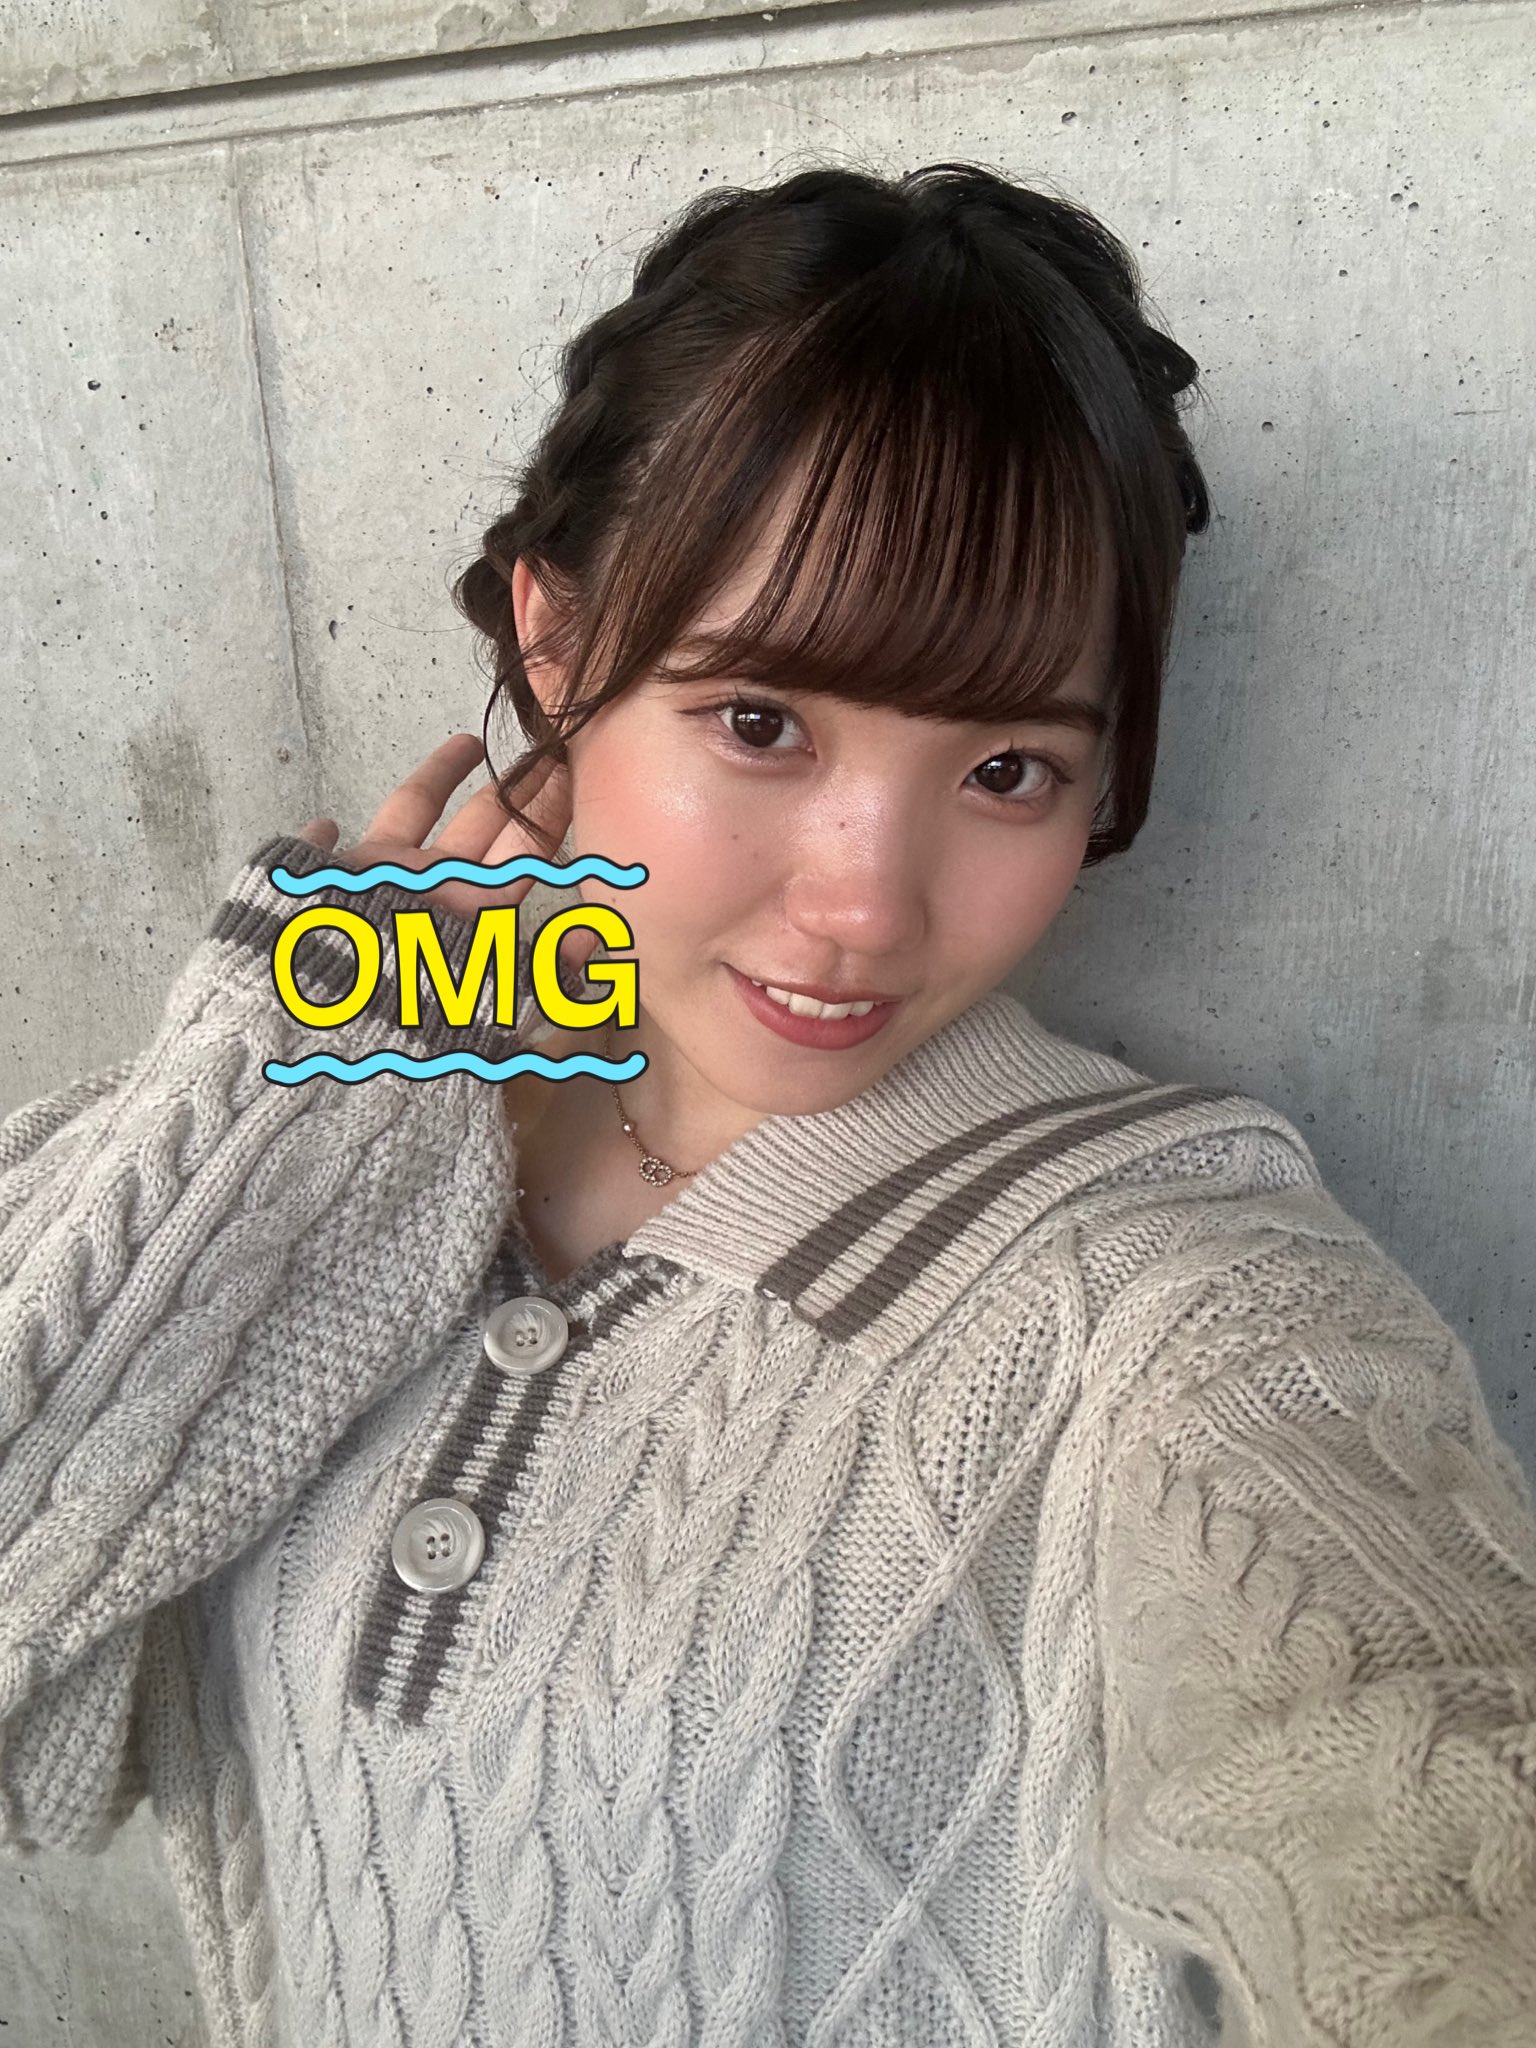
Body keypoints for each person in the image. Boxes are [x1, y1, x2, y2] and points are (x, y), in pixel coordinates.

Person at [2, 160, 1533, 2048]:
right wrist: (292, 1096)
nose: (867, 904)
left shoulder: (1177, 1300)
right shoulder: (335, 1118)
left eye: (1008, 768)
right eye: (760, 723)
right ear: (558, 648)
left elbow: (1423, 1785)